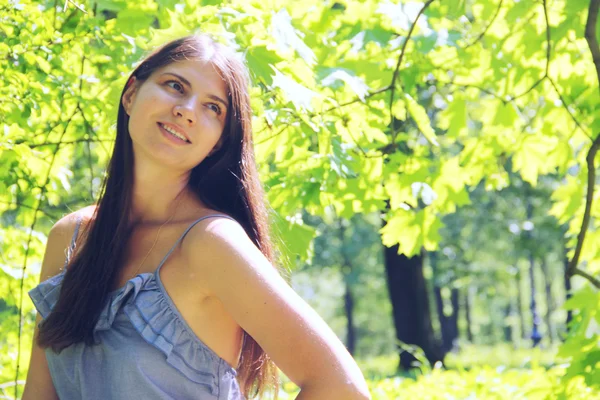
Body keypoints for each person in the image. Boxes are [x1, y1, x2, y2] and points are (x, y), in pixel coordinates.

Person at [22, 34, 371, 400]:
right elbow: (38, 394)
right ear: (130, 94)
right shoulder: (71, 237)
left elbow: (342, 387)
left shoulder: (211, 243)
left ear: (218, 141)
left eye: (213, 108)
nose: (187, 110)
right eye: (175, 86)